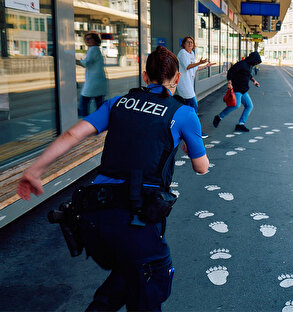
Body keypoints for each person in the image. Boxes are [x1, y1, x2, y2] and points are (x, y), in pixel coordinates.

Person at [18, 45, 209, 311]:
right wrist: (189, 146)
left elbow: (73, 135)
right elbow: (201, 167)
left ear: (145, 76)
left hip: (94, 215)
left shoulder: (117, 103)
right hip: (136, 218)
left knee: (126, 275)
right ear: (177, 78)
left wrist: (34, 170)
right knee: (150, 285)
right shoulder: (183, 113)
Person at [213, 51, 262, 132]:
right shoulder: (241, 64)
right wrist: (229, 82)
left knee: (249, 106)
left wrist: (254, 81)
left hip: (243, 90)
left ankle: (240, 124)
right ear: (252, 59)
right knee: (236, 105)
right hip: (236, 88)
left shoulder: (250, 65)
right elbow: (230, 72)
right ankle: (219, 117)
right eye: (256, 62)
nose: (256, 63)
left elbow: (248, 74)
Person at [176, 36, 214, 138]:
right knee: (194, 106)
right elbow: (187, 66)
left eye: (192, 43)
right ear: (183, 44)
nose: (190, 44)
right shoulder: (182, 53)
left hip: (189, 84)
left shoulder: (191, 53)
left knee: (187, 108)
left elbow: (194, 68)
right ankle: (196, 131)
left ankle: (183, 130)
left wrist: (205, 66)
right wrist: (200, 62)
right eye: (188, 42)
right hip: (183, 84)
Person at [76, 32, 108, 117]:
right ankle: (101, 119)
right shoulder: (97, 49)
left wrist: (75, 61)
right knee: (99, 103)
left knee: (84, 101)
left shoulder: (93, 49)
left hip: (93, 82)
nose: (87, 40)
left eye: (89, 39)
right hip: (99, 81)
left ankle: (85, 120)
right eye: (86, 39)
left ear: (95, 40)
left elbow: (86, 63)